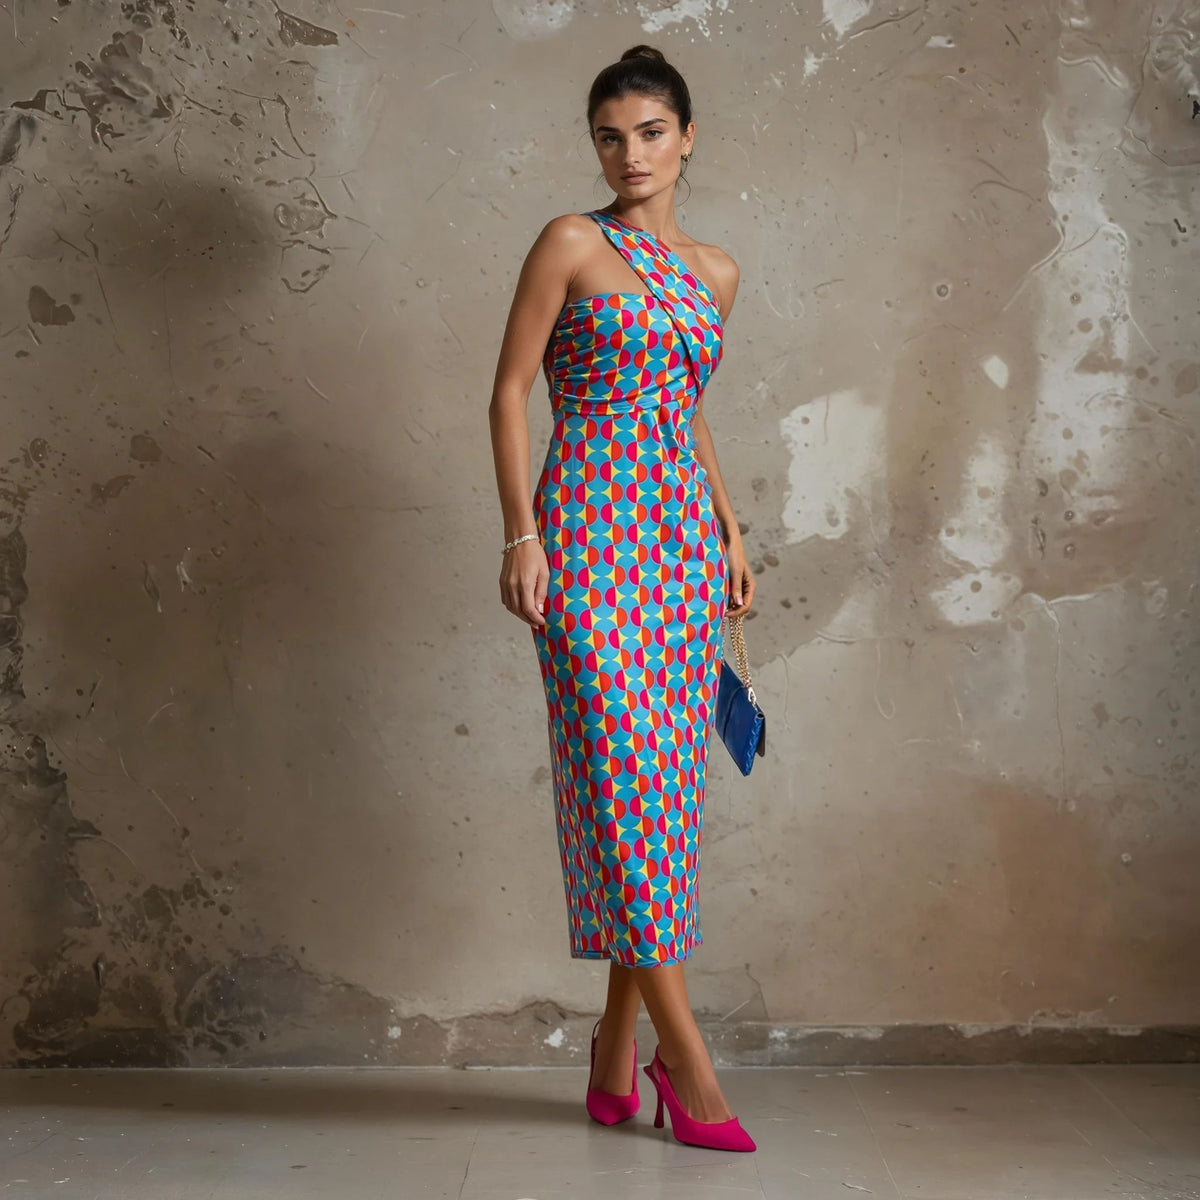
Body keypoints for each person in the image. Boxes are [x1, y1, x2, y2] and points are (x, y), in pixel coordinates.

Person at [488, 44, 757, 1153]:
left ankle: (613, 1049)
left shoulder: (717, 271)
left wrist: (733, 531)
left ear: (687, 136)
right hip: (590, 538)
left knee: (662, 805)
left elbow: (682, 416)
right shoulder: (570, 241)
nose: (629, 153)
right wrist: (521, 533)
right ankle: (686, 1067)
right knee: (620, 787)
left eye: (649, 131)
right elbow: (509, 390)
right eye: (610, 135)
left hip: (684, 549)